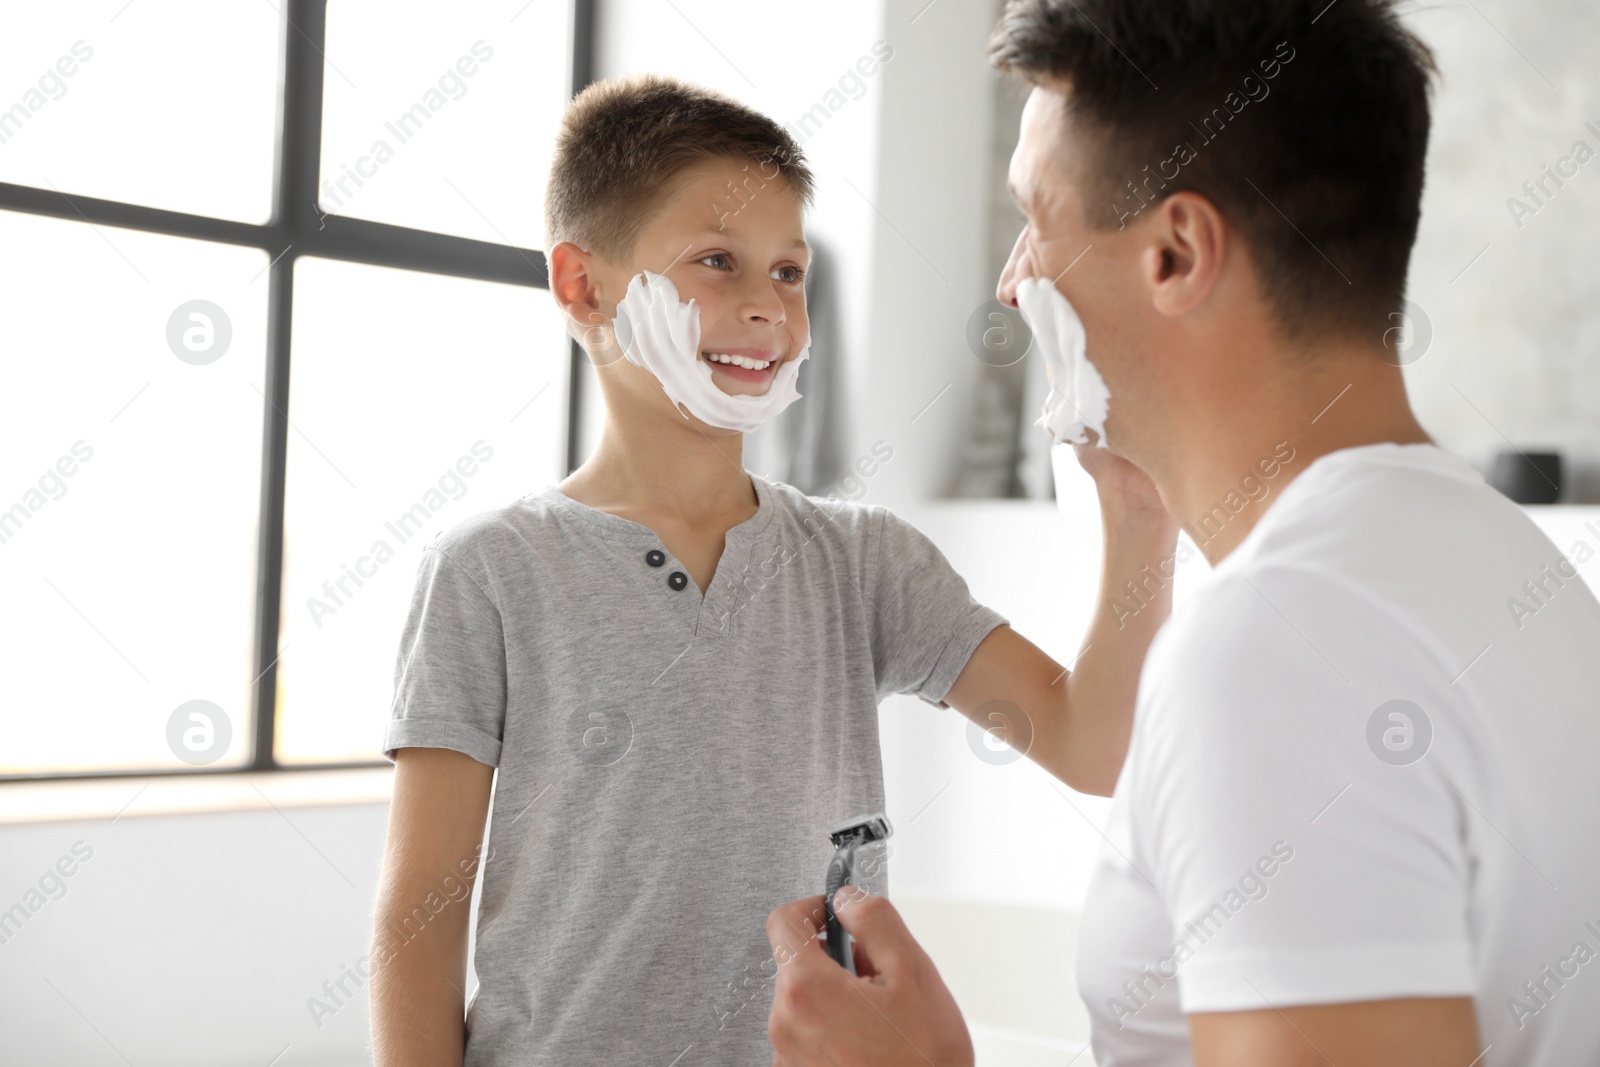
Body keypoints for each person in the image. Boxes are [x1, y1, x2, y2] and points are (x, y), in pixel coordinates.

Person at [766, 2, 1600, 1065]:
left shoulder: (1281, 645)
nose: (1013, 282)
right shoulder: (1502, 564)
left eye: (1036, 217)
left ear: (1174, 253)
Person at [368, 72, 1178, 1066]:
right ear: (581, 285)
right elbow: (419, 916)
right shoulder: (490, 570)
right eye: (718, 262)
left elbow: (1090, 746)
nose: (767, 308)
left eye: (790, 272)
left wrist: (1138, 511)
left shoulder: (865, 563)